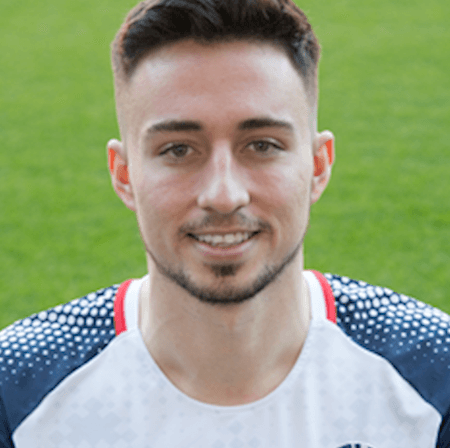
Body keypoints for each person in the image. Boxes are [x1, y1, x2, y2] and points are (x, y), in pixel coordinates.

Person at [0, 0, 449, 446]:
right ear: (124, 175)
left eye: (262, 145)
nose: (223, 194)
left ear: (317, 165)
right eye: (178, 150)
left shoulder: (437, 372)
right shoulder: (15, 389)